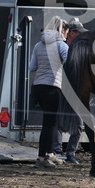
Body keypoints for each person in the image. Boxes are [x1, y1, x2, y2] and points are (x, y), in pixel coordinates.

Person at [29, 16, 69, 169]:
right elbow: (70, 63)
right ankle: (41, 158)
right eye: (66, 31)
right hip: (52, 87)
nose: (67, 34)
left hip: (38, 87)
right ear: (62, 30)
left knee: (52, 122)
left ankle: (50, 154)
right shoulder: (62, 45)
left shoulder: (38, 45)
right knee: (49, 124)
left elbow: (32, 67)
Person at [52, 17, 87, 163]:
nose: (81, 36)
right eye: (79, 33)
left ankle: (70, 153)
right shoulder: (63, 47)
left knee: (78, 124)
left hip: (74, 91)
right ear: (71, 33)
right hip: (61, 88)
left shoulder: (77, 48)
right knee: (57, 122)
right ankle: (58, 151)